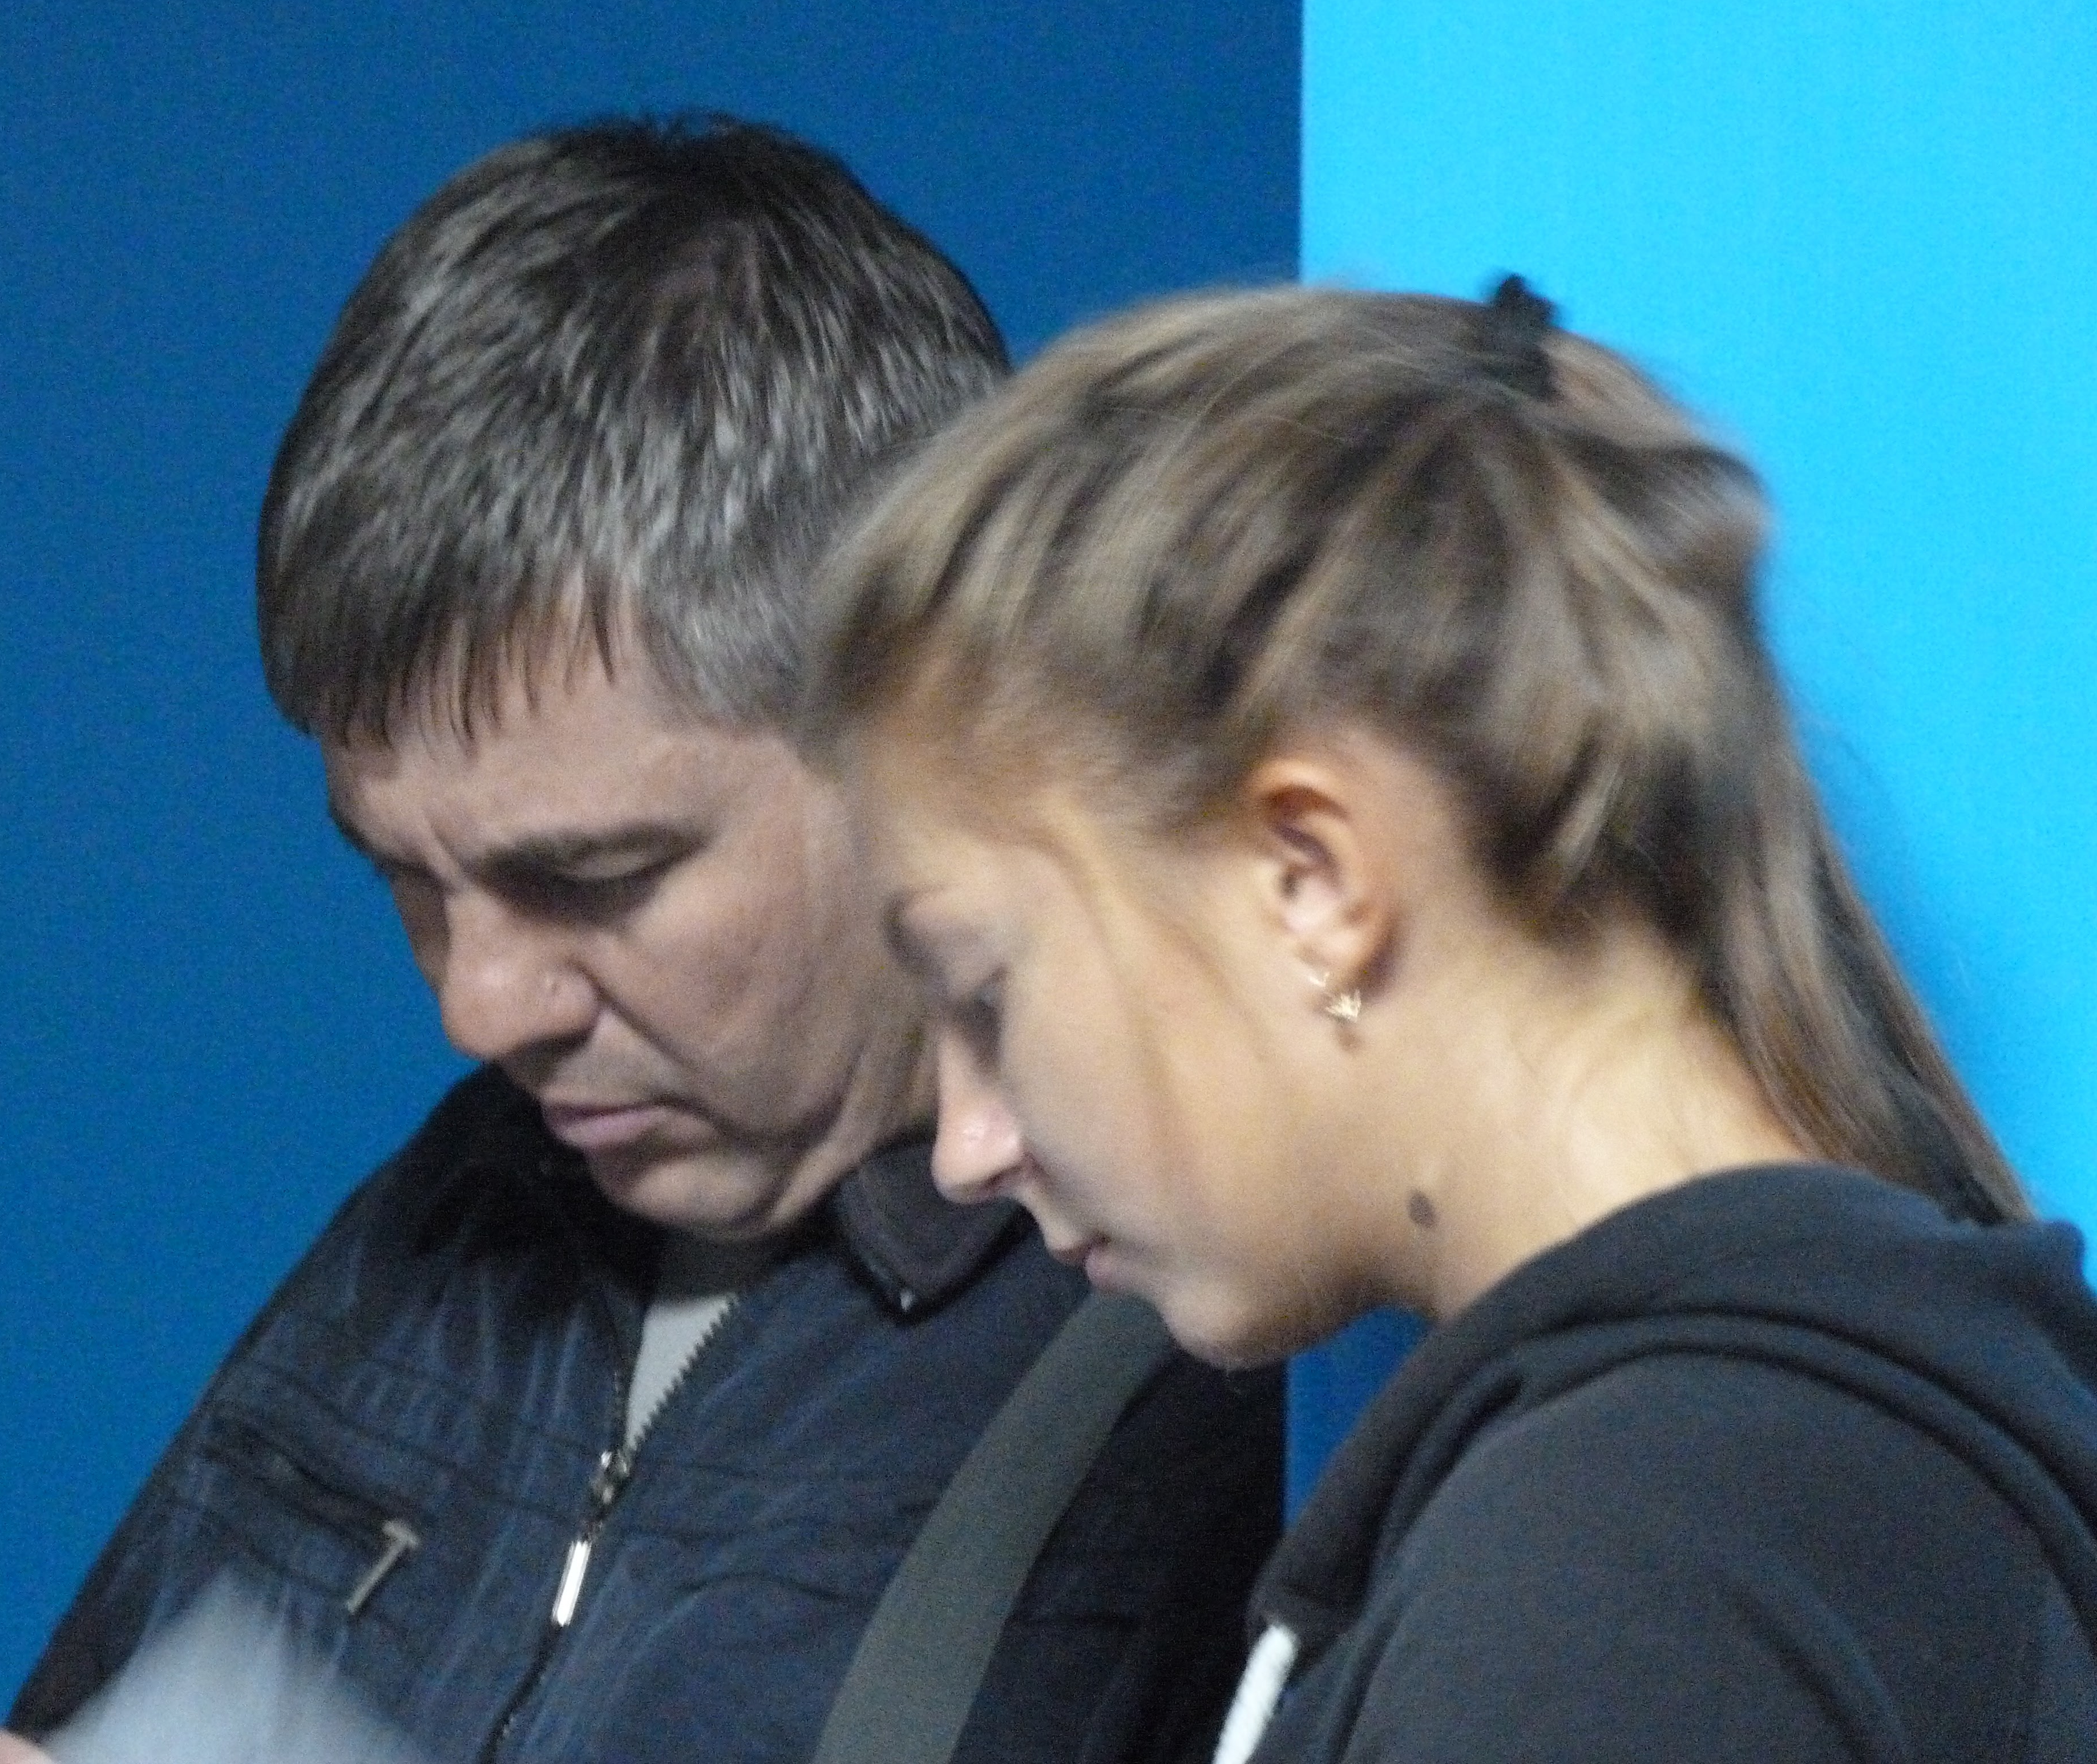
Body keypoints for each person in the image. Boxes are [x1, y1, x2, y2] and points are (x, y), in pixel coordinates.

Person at [0, 118, 1286, 1764]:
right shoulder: (441, 1225)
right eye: (407, 882)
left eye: (593, 879)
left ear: (922, 724)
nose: (479, 1008)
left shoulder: (1226, 1335)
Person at [807, 278, 2097, 1761]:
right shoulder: (1795, 1480)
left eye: (985, 993)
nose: (965, 1146)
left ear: (1311, 880)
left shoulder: (1617, 1594)